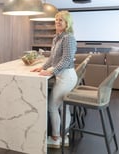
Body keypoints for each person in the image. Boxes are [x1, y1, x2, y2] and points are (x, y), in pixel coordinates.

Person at [31, 10, 77, 148]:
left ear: (67, 23)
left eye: (60, 20)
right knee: (63, 106)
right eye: (56, 20)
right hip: (62, 76)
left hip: (67, 77)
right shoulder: (57, 37)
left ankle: (56, 137)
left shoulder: (68, 37)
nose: (57, 22)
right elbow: (52, 58)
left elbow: (67, 59)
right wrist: (42, 67)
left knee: (52, 106)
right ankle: (65, 136)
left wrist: (51, 70)